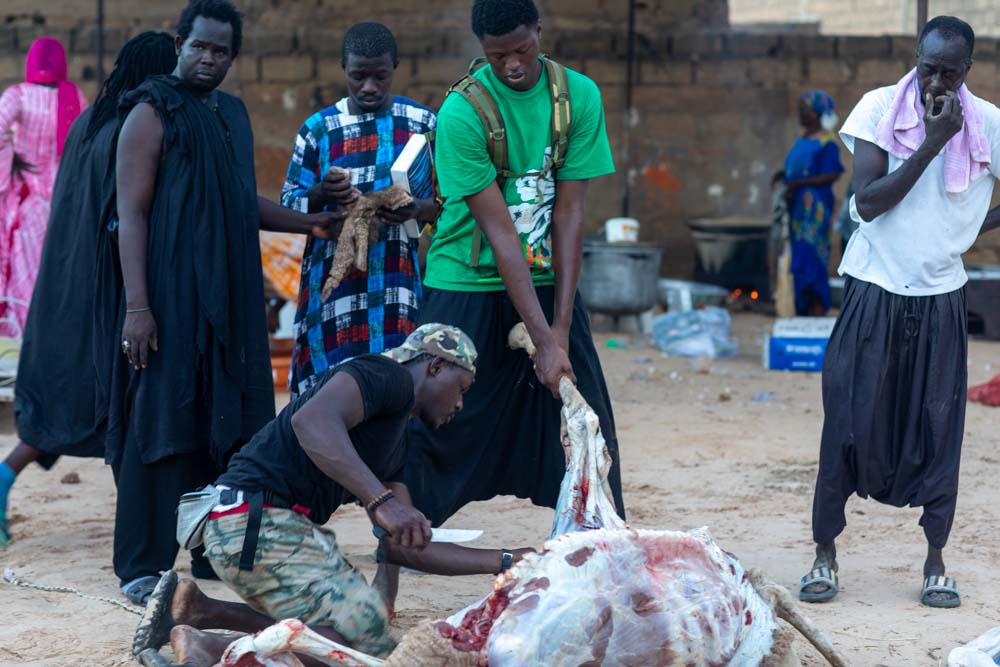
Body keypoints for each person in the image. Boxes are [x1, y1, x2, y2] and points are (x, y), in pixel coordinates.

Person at [105, 0, 342, 606]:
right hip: (168, 296)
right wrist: (138, 307)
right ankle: (143, 562)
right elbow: (129, 215)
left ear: (232, 56)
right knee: (163, 419)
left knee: (229, 421)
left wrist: (308, 222)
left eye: (220, 50)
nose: (208, 58)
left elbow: (241, 201)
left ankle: (214, 549)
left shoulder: (232, 113)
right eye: (199, 46)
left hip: (231, 295)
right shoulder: (150, 114)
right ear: (180, 43)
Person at [131, 324, 532, 666]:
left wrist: (510, 562)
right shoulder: (385, 375)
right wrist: (380, 501)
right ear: (436, 365)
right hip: (251, 521)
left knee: (365, 634)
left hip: (253, 528)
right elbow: (312, 421)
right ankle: (210, 646)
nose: (460, 403)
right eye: (461, 387)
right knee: (361, 645)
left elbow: (404, 547)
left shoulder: (393, 445)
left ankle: (199, 611)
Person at [801, 16, 1000, 609]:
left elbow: (956, 214)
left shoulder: (987, 122)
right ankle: (825, 552)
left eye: (949, 71)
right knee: (845, 424)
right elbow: (868, 201)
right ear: (916, 57)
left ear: (968, 70)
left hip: (940, 299)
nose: (935, 81)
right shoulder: (878, 109)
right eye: (928, 67)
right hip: (873, 290)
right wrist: (934, 142)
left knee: (941, 430)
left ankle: (936, 560)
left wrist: (960, 232)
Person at [403, 0, 625, 526]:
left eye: (522, 50)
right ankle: (407, 533)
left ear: (539, 33)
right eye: (498, 55)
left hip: (547, 279)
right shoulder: (463, 112)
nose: (513, 65)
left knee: (582, 414)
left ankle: (594, 531)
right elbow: (502, 234)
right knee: (439, 414)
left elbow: (570, 215)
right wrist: (543, 340)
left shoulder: (578, 97)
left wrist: (562, 328)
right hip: (466, 280)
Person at [0, 33, 178, 549]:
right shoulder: (134, 127)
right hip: (110, 287)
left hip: (62, 273)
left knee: (74, 397)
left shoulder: (88, 120)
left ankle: (6, 476)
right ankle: (144, 532)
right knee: (124, 404)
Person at [281, 22, 438, 397]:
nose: (369, 87)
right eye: (358, 76)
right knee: (330, 390)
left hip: (395, 284)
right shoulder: (318, 130)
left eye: (379, 76)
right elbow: (289, 204)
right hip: (332, 286)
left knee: (394, 386)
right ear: (343, 69)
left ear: (395, 67)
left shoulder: (421, 125)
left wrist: (415, 209)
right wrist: (321, 192)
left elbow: (449, 206)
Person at [0, 37, 88, 336]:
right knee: (57, 278)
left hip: (26, 204)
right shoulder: (75, 97)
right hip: (65, 207)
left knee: (25, 281)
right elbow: (86, 147)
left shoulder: (18, 96)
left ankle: (25, 351)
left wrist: (12, 161)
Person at [780, 91, 844, 316]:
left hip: (813, 209)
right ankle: (803, 305)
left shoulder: (827, 142)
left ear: (818, 114)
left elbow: (833, 173)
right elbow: (796, 167)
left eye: (806, 110)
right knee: (799, 254)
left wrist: (799, 184)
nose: (801, 114)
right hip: (798, 208)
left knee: (813, 254)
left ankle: (816, 305)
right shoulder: (803, 138)